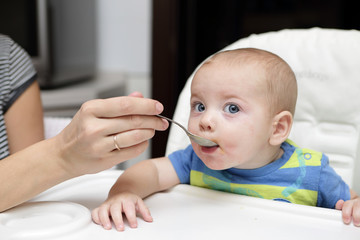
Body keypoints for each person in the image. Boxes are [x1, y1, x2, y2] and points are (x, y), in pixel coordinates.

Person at [91, 48, 360, 231]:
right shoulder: (194, 160)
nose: (205, 120)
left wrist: (355, 206)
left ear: (277, 129)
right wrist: (123, 193)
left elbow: (349, 207)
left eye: (232, 108)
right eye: (199, 105)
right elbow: (150, 171)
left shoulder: (313, 174)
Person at [0, 34, 169, 212]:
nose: (203, 121)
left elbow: (27, 188)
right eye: (198, 107)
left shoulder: (9, 58)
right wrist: (62, 155)